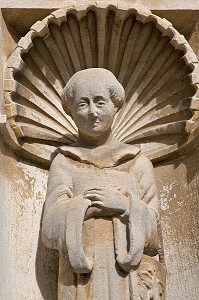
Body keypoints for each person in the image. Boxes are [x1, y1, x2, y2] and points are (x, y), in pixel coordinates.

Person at [42, 68, 165, 300]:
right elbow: (49, 229)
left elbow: (155, 231)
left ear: (115, 105)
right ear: (70, 112)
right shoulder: (64, 162)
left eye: (100, 102)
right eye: (82, 104)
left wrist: (125, 206)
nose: (92, 112)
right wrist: (86, 205)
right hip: (80, 281)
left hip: (129, 280)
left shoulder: (136, 162)